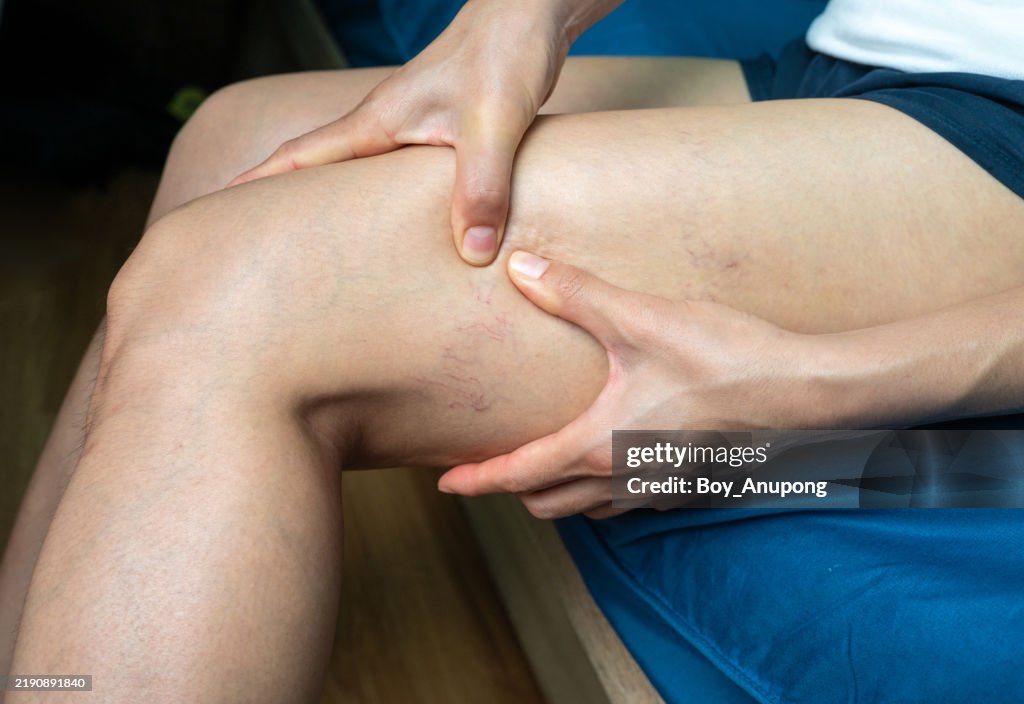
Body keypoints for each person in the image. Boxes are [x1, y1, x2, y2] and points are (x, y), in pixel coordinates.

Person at [2, 0, 1023, 701]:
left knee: (245, 291)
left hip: (999, 139)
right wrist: (521, 16)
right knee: (233, 137)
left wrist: (811, 388)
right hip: (870, 58)